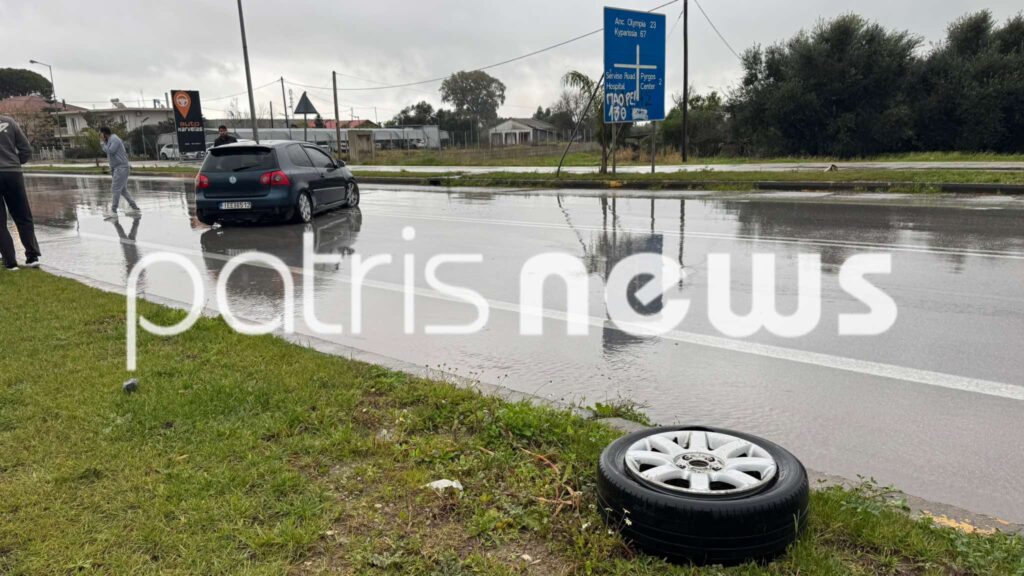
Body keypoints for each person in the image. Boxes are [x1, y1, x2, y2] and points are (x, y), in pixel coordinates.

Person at [0, 114, 41, 271]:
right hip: (13, 173)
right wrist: (16, 161)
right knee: (23, 216)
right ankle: (32, 256)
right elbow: (26, 149)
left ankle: (10, 261)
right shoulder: (9, 122)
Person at [99, 127, 140, 218]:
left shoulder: (114, 139)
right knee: (123, 190)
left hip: (121, 168)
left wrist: (102, 144)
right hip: (118, 168)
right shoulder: (109, 140)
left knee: (115, 189)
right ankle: (135, 208)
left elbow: (111, 151)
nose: (100, 136)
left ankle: (113, 212)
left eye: (101, 134)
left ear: (104, 133)